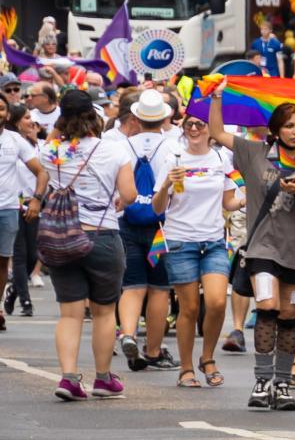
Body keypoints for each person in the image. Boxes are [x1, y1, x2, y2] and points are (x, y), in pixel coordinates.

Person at [206, 93, 295, 412]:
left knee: (289, 315)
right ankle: (262, 381)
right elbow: (218, 133)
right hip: (261, 249)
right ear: (276, 129)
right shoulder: (253, 152)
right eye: (289, 125)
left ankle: (282, 384)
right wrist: (217, 99)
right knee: (267, 305)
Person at [39, 89, 134, 401]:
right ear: (95, 117)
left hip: (62, 237)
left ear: (63, 118)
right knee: (105, 312)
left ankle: (68, 378)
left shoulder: (52, 152)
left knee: (69, 314)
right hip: (102, 236)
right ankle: (103, 378)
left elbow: (52, 139)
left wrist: (61, 123)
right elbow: (129, 195)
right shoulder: (114, 151)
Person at [152, 107, 242, 387]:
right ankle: (186, 367)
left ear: (210, 129)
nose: (194, 129)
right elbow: (158, 208)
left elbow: (229, 202)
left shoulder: (221, 158)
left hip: (214, 240)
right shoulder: (173, 158)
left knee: (216, 302)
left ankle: (208, 357)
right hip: (180, 240)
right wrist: (168, 182)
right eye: (189, 124)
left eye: (200, 125)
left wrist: (249, 199)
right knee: (189, 308)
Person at [113, 88, 178, 373]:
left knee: (133, 285)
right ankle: (153, 350)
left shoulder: (121, 145)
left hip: (126, 223)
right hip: (160, 228)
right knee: (159, 289)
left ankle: (128, 333)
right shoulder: (174, 145)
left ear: (136, 118)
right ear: (164, 118)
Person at [3, 105, 46, 322]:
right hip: (14, 206)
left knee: (32, 255)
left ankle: (13, 289)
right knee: (19, 256)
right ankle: (24, 300)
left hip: (26, 206)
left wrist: (37, 200)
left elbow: (42, 172)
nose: (32, 122)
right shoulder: (17, 141)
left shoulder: (32, 145)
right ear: (18, 120)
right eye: (28, 118)